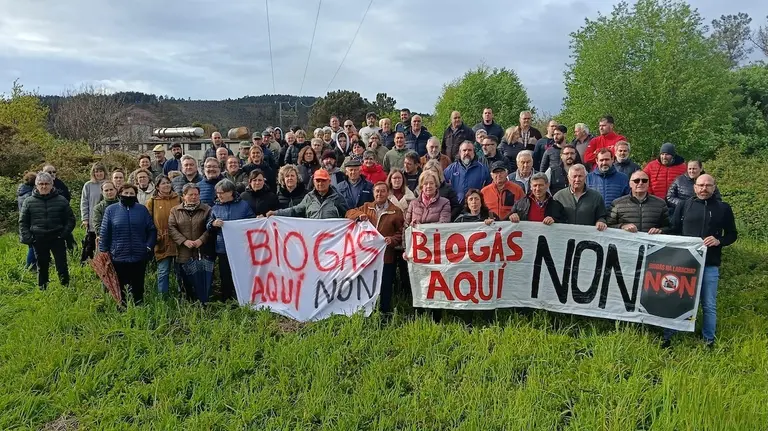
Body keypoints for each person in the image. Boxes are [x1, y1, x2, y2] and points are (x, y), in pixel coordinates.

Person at [663, 174, 737, 348]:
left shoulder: (723, 208)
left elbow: (732, 234)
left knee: (708, 303)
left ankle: (708, 340)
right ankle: (669, 335)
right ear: (694, 187)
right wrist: (658, 232)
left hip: (710, 264)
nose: (704, 188)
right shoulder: (684, 205)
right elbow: (674, 230)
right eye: (701, 185)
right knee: (675, 299)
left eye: (708, 185)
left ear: (714, 187)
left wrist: (720, 241)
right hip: (683, 264)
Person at [346, 182, 405, 314]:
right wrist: (358, 215)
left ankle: (384, 313)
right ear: (373, 193)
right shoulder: (367, 207)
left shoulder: (396, 210)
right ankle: (366, 311)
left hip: (386, 257)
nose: (379, 194)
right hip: (367, 258)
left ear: (387, 193)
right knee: (367, 285)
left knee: (385, 285)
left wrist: (392, 240)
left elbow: (401, 232)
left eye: (382, 191)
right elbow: (349, 212)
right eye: (377, 191)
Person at [99, 184, 157, 305]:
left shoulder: (142, 209)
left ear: (135, 195)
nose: (128, 196)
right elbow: (105, 232)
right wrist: (103, 252)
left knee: (138, 284)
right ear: (120, 194)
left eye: (131, 193)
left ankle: (139, 306)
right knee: (121, 285)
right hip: (118, 255)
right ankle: (123, 309)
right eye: (126, 193)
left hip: (139, 254)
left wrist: (148, 246)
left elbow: (151, 230)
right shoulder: (111, 210)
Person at [19, 172, 75, 290]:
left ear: (51, 184)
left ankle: (66, 288)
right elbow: (23, 222)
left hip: (57, 237)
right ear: (36, 185)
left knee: (61, 265)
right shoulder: (29, 202)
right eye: (41, 184)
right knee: (42, 265)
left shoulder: (61, 200)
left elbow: (70, 220)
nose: (44, 187)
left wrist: (63, 234)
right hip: (39, 238)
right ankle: (43, 289)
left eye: (46, 184)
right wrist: (30, 238)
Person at [205, 180, 254, 301]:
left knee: (241, 274)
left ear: (230, 192)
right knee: (225, 275)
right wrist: (213, 224)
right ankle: (226, 299)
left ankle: (243, 299)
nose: (218, 195)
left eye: (221, 193)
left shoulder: (244, 205)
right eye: (217, 193)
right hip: (223, 249)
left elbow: (252, 222)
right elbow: (208, 225)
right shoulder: (215, 208)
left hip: (241, 248)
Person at [168, 183, 211, 302]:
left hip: (200, 251)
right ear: (184, 196)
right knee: (184, 278)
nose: (194, 197)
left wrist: (201, 240)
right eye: (191, 195)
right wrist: (184, 241)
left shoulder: (206, 209)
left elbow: (210, 228)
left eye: (196, 194)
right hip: (183, 251)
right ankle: (187, 302)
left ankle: (202, 301)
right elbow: (171, 228)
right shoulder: (175, 211)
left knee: (200, 279)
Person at [146, 176, 181, 295]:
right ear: (157, 187)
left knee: (180, 270)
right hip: (161, 240)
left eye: (168, 183)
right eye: (163, 183)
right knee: (163, 271)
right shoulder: (153, 201)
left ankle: (183, 295)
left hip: (178, 239)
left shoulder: (178, 198)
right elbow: (148, 222)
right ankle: (163, 298)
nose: (166, 185)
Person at [269, 169, 348, 219]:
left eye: (323, 180)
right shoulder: (309, 197)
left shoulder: (337, 197)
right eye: (318, 180)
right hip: (312, 239)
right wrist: (276, 213)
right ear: (313, 182)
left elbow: (348, 214)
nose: (320, 183)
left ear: (329, 181)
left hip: (332, 239)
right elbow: (295, 210)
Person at [553, 164, 608, 229]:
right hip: (565, 237)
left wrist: (601, 221)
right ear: (568, 178)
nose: (577, 179)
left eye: (580, 176)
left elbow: (602, 216)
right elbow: (553, 217)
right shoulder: (558, 197)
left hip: (587, 237)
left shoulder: (596, 196)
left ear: (585, 177)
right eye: (574, 176)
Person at [80, 163, 107, 263]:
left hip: (105, 217)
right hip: (92, 218)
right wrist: (85, 218)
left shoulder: (108, 184)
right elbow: (84, 202)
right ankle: (88, 261)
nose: (99, 173)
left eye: (100, 171)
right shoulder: (88, 185)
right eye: (96, 172)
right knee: (90, 241)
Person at [17, 172, 37, 270]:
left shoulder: (22, 192)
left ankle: (32, 265)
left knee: (32, 246)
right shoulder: (29, 195)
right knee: (33, 246)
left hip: (24, 223)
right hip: (30, 224)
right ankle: (30, 266)